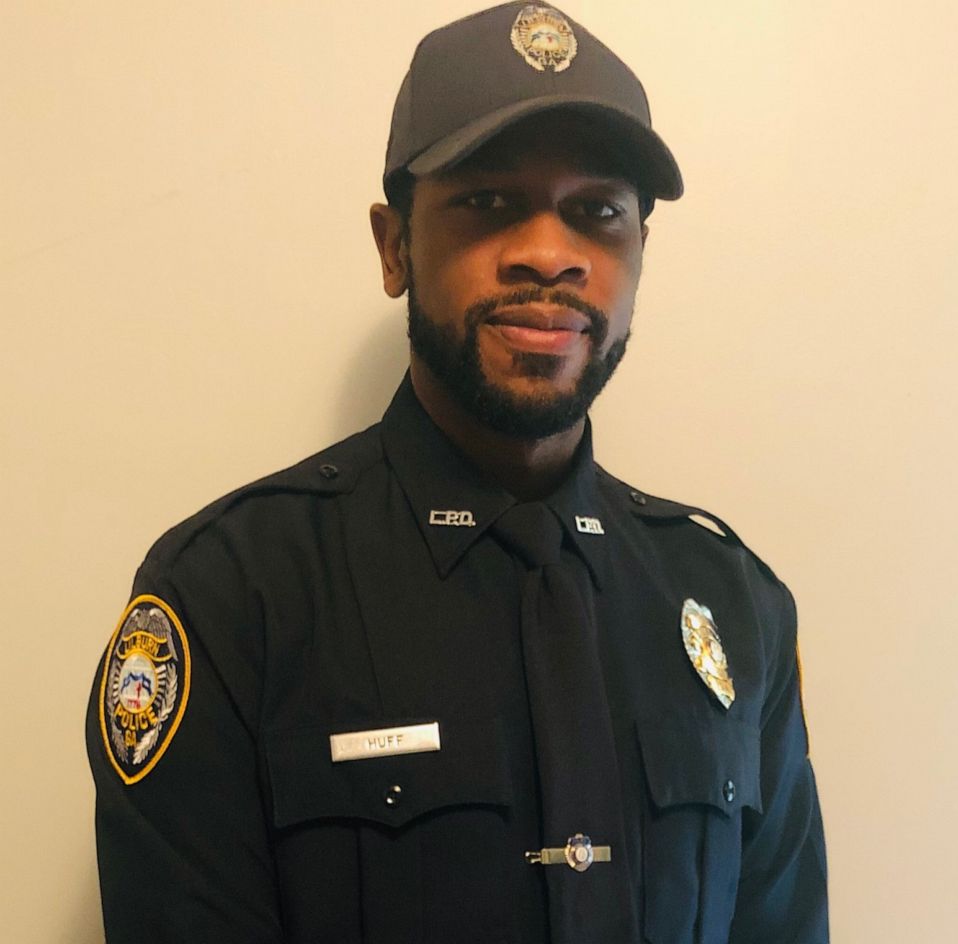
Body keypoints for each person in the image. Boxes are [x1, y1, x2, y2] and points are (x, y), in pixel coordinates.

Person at [86, 3, 828, 942]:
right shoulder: (234, 598)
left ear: (641, 252)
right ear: (394, 246)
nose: (550, 256)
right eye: (488, 202)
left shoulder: (735, 605)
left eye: (597, 212)